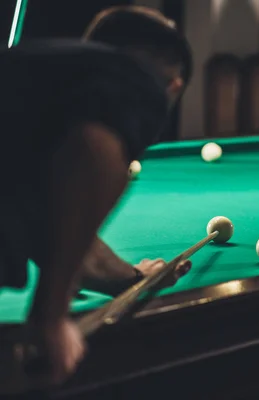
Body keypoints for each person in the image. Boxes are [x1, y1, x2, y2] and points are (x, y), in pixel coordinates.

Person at [0, 6, 193, 392]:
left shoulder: (39, 78)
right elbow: (93, 152)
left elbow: (56, 218)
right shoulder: (138, 80)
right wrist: (50, 315)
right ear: (173, 87)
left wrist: (132, 277)